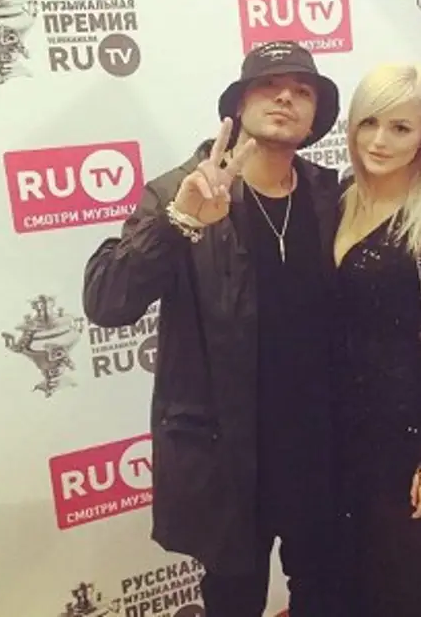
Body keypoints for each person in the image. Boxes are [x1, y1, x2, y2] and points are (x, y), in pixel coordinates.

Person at [82, 41, 341, 617]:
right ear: (239, 104)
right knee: (234, 599)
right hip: (228, 454)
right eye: (269, 85)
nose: (285, 97)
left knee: (326, 589)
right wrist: (178, 222)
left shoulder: (330, 195)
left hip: (317, 445)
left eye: (302, 91)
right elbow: (107, 302)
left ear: (315, 118)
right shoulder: (182, 190)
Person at [333, 63, 421, 616]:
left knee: (411, 576)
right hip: (335, 425)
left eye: (400, 127)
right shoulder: (338, 199)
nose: (379, 140)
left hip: (400, 430)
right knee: (350, 570)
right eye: (369, 122)